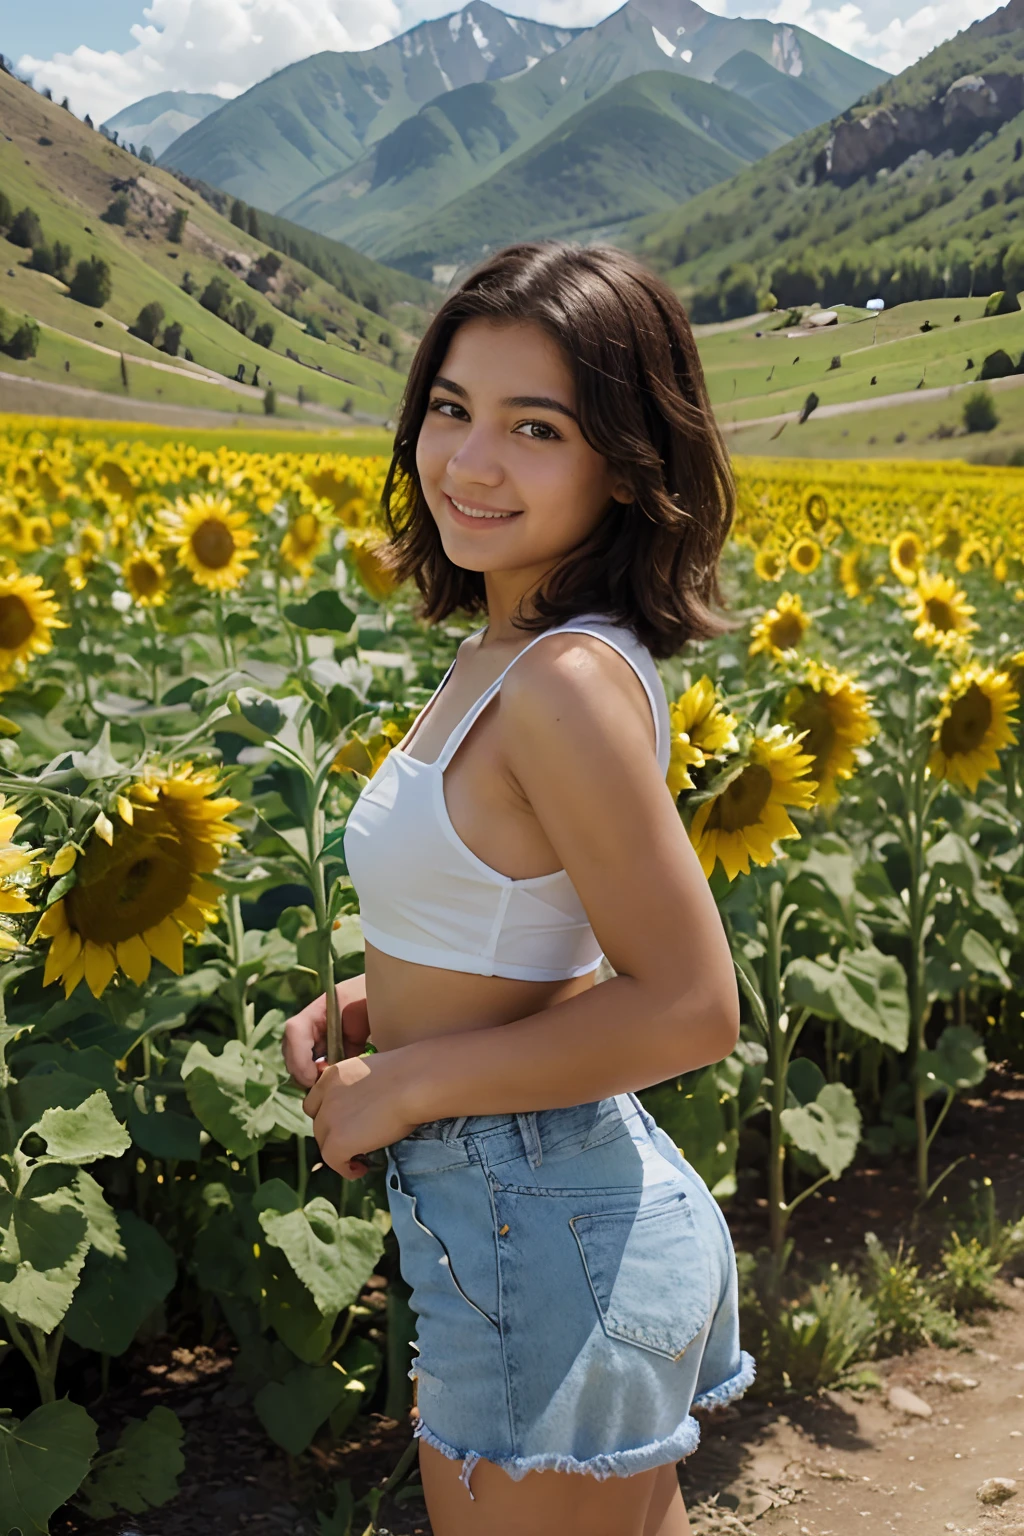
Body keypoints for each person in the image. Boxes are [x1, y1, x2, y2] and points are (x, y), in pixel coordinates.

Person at [284, 241, 753, 1536]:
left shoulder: (556, 683)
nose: (470, 461)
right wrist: (383, 997)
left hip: (538, 1219)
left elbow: (693, 1006)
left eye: (534, 427)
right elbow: (541, 925)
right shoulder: (515, 644)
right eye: (451, 408)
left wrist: (412, 1085)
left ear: (625, 456)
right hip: (535, 1207)